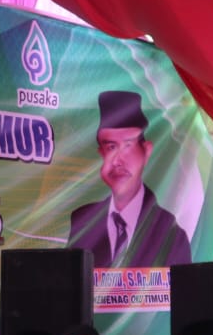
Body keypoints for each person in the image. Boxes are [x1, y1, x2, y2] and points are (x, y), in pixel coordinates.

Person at [66, 90, 191, 268]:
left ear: (146, 151)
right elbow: (71, 280)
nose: (118, 160)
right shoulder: (83, 221)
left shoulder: (170, 232)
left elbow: (184, 286)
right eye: (111, 147)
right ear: (101, 153)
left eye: (128, 146)